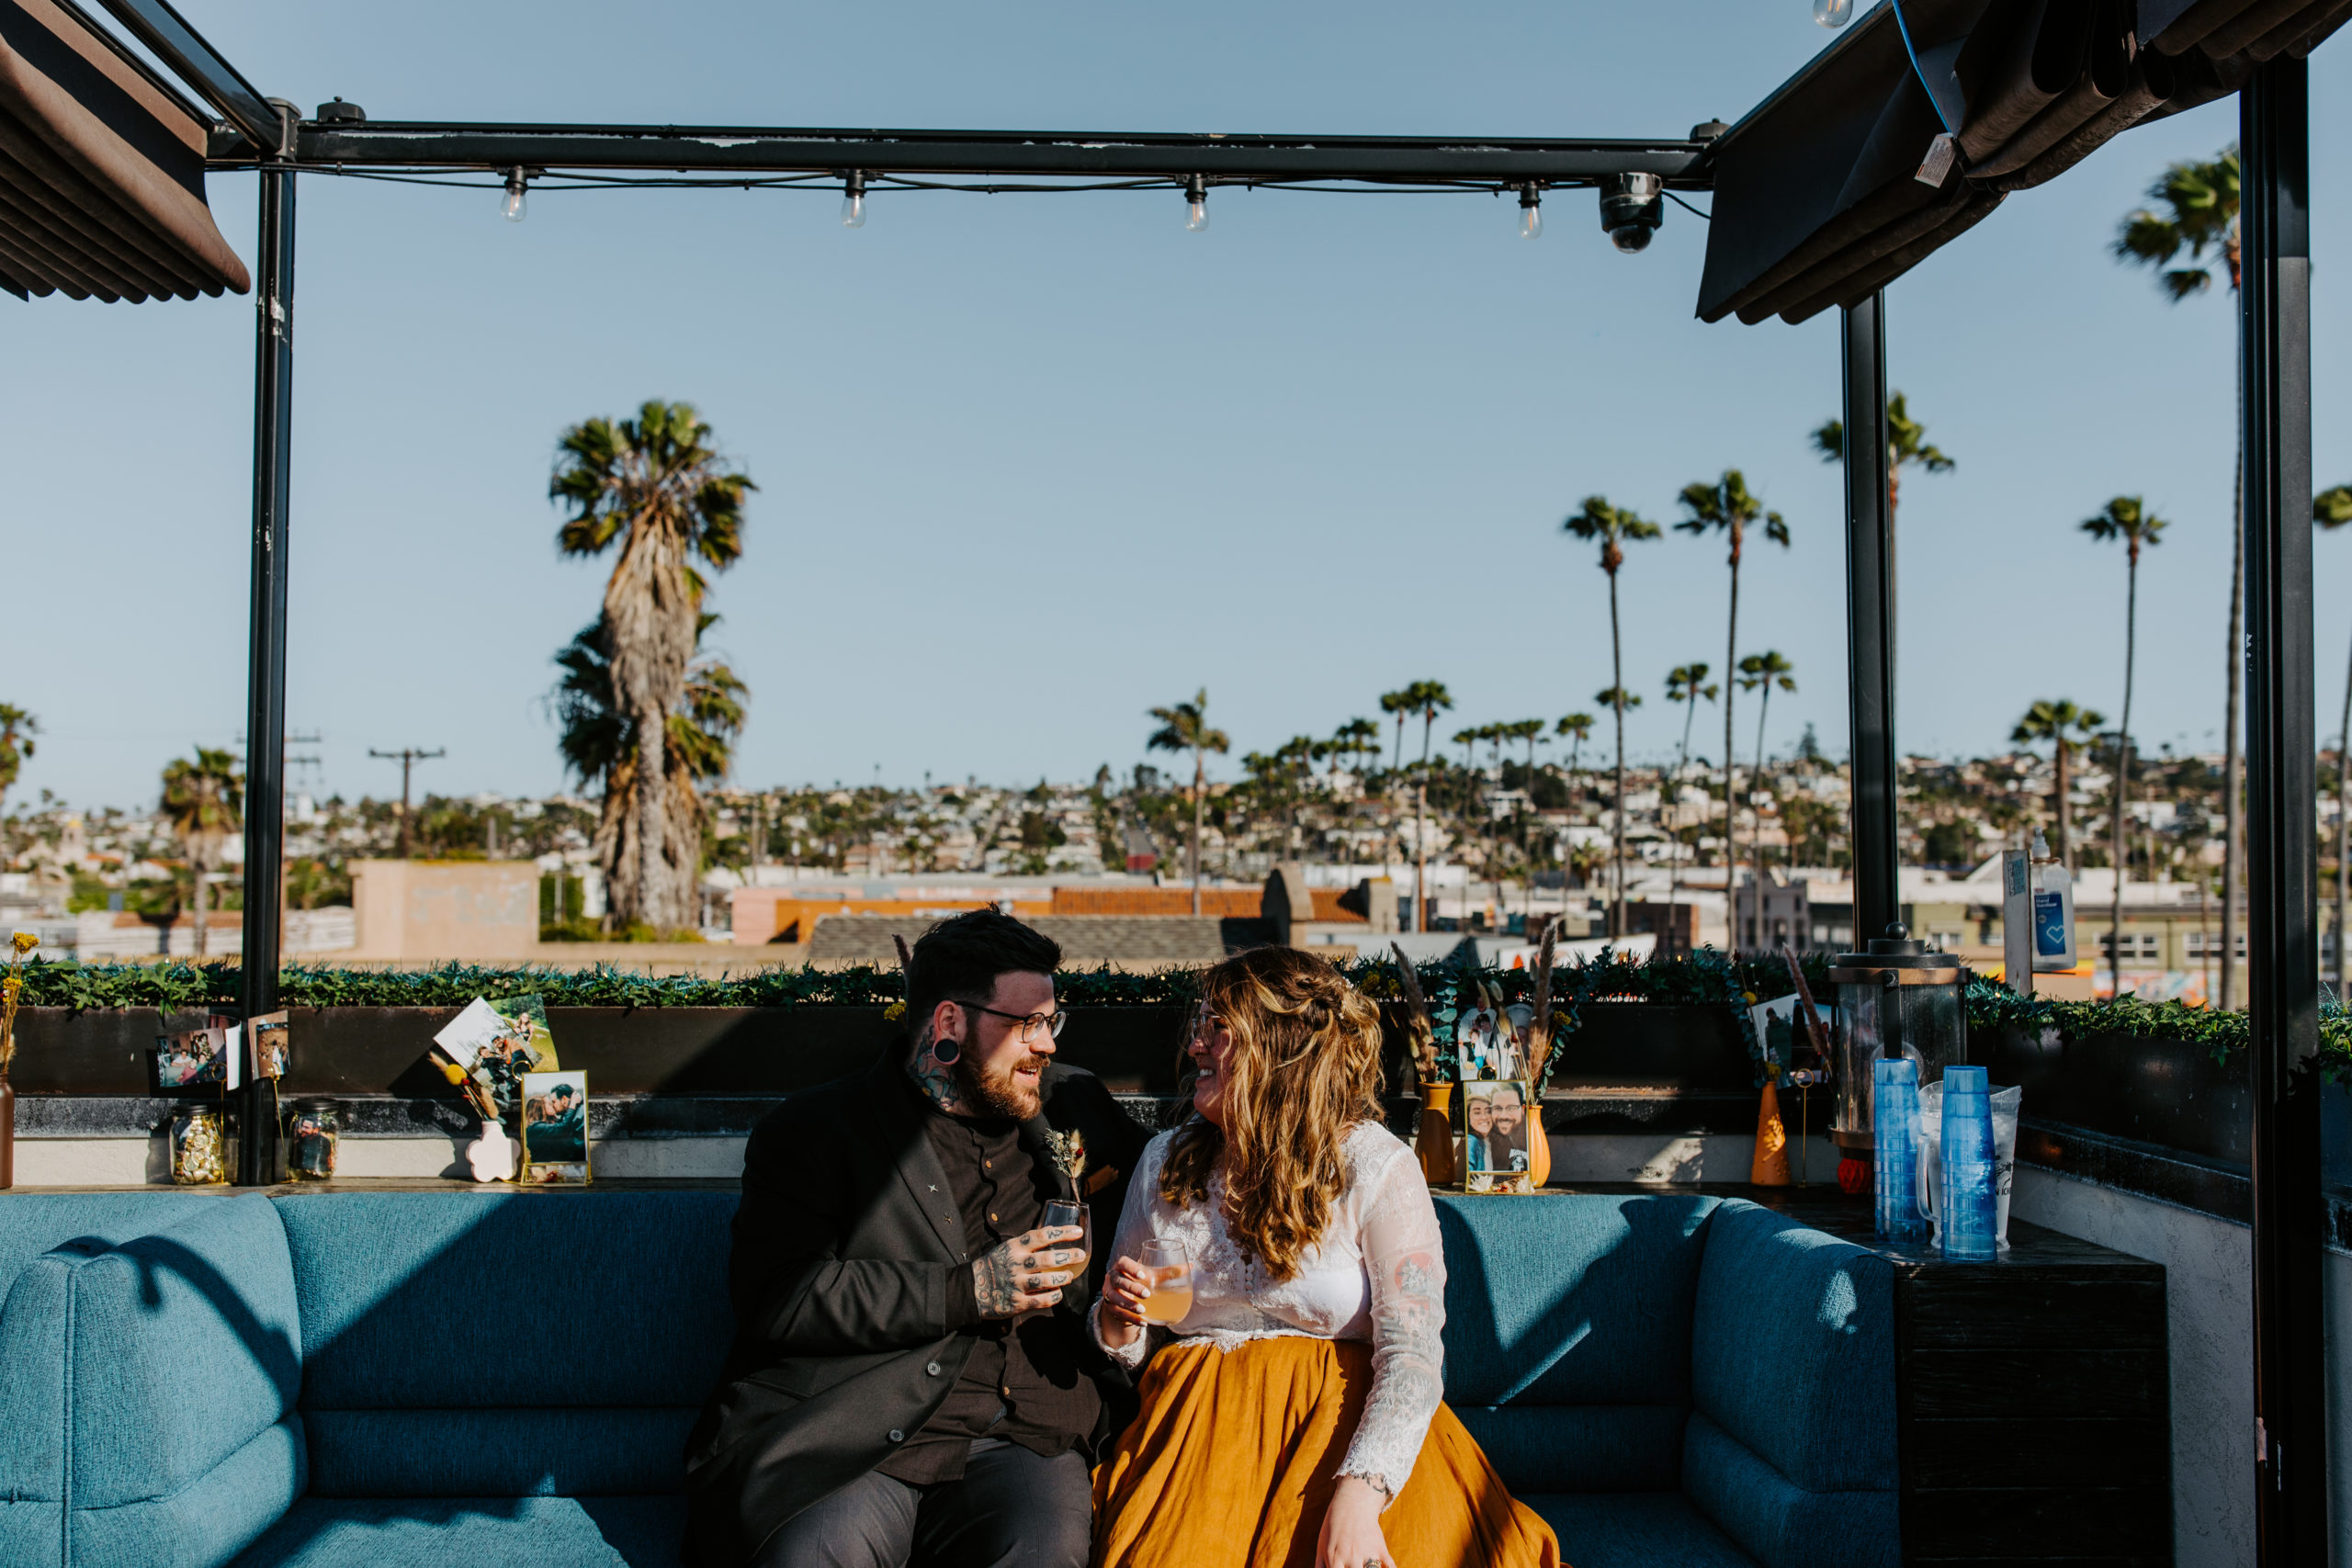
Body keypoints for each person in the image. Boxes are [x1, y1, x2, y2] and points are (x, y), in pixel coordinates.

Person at [684, 909, 1152, 1568]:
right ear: (950, 1023)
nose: (1046, 1044)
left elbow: (1183, 1176)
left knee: (1042, 1554)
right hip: (852, 1435)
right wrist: (968, 1290)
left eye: (1052, 1021)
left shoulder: (1074, 1103)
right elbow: (776, 1297)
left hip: (1027, 1437)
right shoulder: (816, 1130)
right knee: (814, 1556)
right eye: (1027, 1024)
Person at [1090, 946, 1561, 1568]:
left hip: (1348, 1437)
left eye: (1215, 1027)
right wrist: (1118, 1319)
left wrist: (1360, 1498)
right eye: (1198, 1025)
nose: (1195, 1045)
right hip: (1196, 1446)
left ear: (1279, 1044)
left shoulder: (1376, 1164)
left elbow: (1414, 1356)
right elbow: (1139, 1327)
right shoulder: (1164, 1160)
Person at [527, 1081, 585, 1162]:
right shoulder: (535, 1127)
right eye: (550, 1103)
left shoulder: (553, 1122)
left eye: (553, 1102)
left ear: (564, 1100)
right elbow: (563, 1127)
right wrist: (572, 1104)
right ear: (541, 1108)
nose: (552, 1105)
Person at [1484, 1083, 1530, 1173]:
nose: (1503, 1116)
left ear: (1523, 1110)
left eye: (1511, 1108)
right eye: (1497, 1108)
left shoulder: (1532, 1140)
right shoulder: (1483, 1144)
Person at [1463, 1093, 1493, 1172]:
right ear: (1468, 1117)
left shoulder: (1491, 1141)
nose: (1484, 1117)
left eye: (1488, 1111)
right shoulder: (1471, 1141)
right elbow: (1469, 1174)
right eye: (1477, 1112)